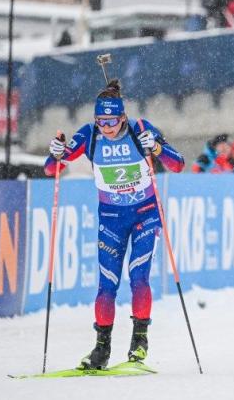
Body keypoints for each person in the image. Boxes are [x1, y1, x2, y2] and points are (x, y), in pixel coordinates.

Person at [44, 79, 185, 370]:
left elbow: (179, 164)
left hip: (145, 214)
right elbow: (51, 169)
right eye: (101, 121)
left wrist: (156, 148)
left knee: (138, 278)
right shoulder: (89, 135)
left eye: (111, 121)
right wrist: (56, 152)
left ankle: (139, 343)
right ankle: (101, 349)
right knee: (106, 285)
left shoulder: (140, 129)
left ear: (122, 117)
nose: (106, 128)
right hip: (111, 219)